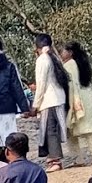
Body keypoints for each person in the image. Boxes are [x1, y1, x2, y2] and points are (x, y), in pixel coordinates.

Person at [61, 41, 92, 166]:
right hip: (87, 97)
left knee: (74, 129)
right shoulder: (85, 64)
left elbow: (69, 85)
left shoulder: (69, 65)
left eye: (63, 51)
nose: (61, 53)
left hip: (76, 99)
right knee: (86, 128)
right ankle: (82, 157)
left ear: (70, 53)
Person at [30, 33, 70, 171]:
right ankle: (52, 158)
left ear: (37, 47)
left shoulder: (42, 59)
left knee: (50, 129)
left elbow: (41, 84)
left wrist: (35, 105)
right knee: (52, 129)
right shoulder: (53, 57)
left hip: (49, 100)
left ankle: (55, 160)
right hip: (58, 98)